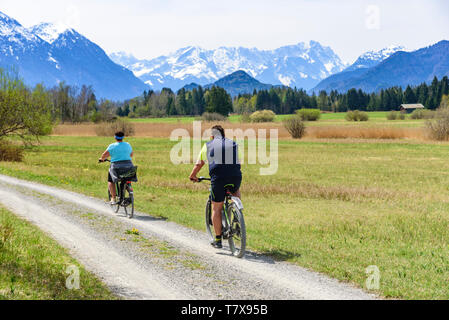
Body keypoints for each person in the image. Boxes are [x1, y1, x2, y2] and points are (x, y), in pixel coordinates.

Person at [189, 125, 242, 249]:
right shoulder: (233, 144)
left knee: (216, 208)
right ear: (223, 134)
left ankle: (218, 240)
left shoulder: (208, 145)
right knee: (235, 190)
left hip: (218, 179)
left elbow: (199, 164)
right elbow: (238, 162)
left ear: (212, 136)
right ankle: (237, 215)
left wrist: (193, 176)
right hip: (235, 176)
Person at [99, 131, 134, 204]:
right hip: (129, 166)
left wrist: (101, 159)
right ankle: (129, 189)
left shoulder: (112, 146)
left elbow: (104, 155)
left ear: (115, 137)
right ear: (123, 137)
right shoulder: (128, 144)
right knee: (126, 178)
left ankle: (113, 198)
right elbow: (131, 155)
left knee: (111, 181)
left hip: (116, 167)